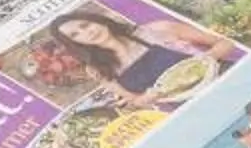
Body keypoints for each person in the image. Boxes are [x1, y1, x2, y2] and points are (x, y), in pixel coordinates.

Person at [45, 9, 226, 103]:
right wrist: (147, 97)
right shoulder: (96, 69)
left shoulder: (157, 29)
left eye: (85, 25)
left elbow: (225, 43)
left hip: (223, 80)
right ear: (75, 44)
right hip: (190, 107)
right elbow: (134, 99)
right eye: (75, 35)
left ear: (97, 20)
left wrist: (207, 58)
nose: (87, 33)